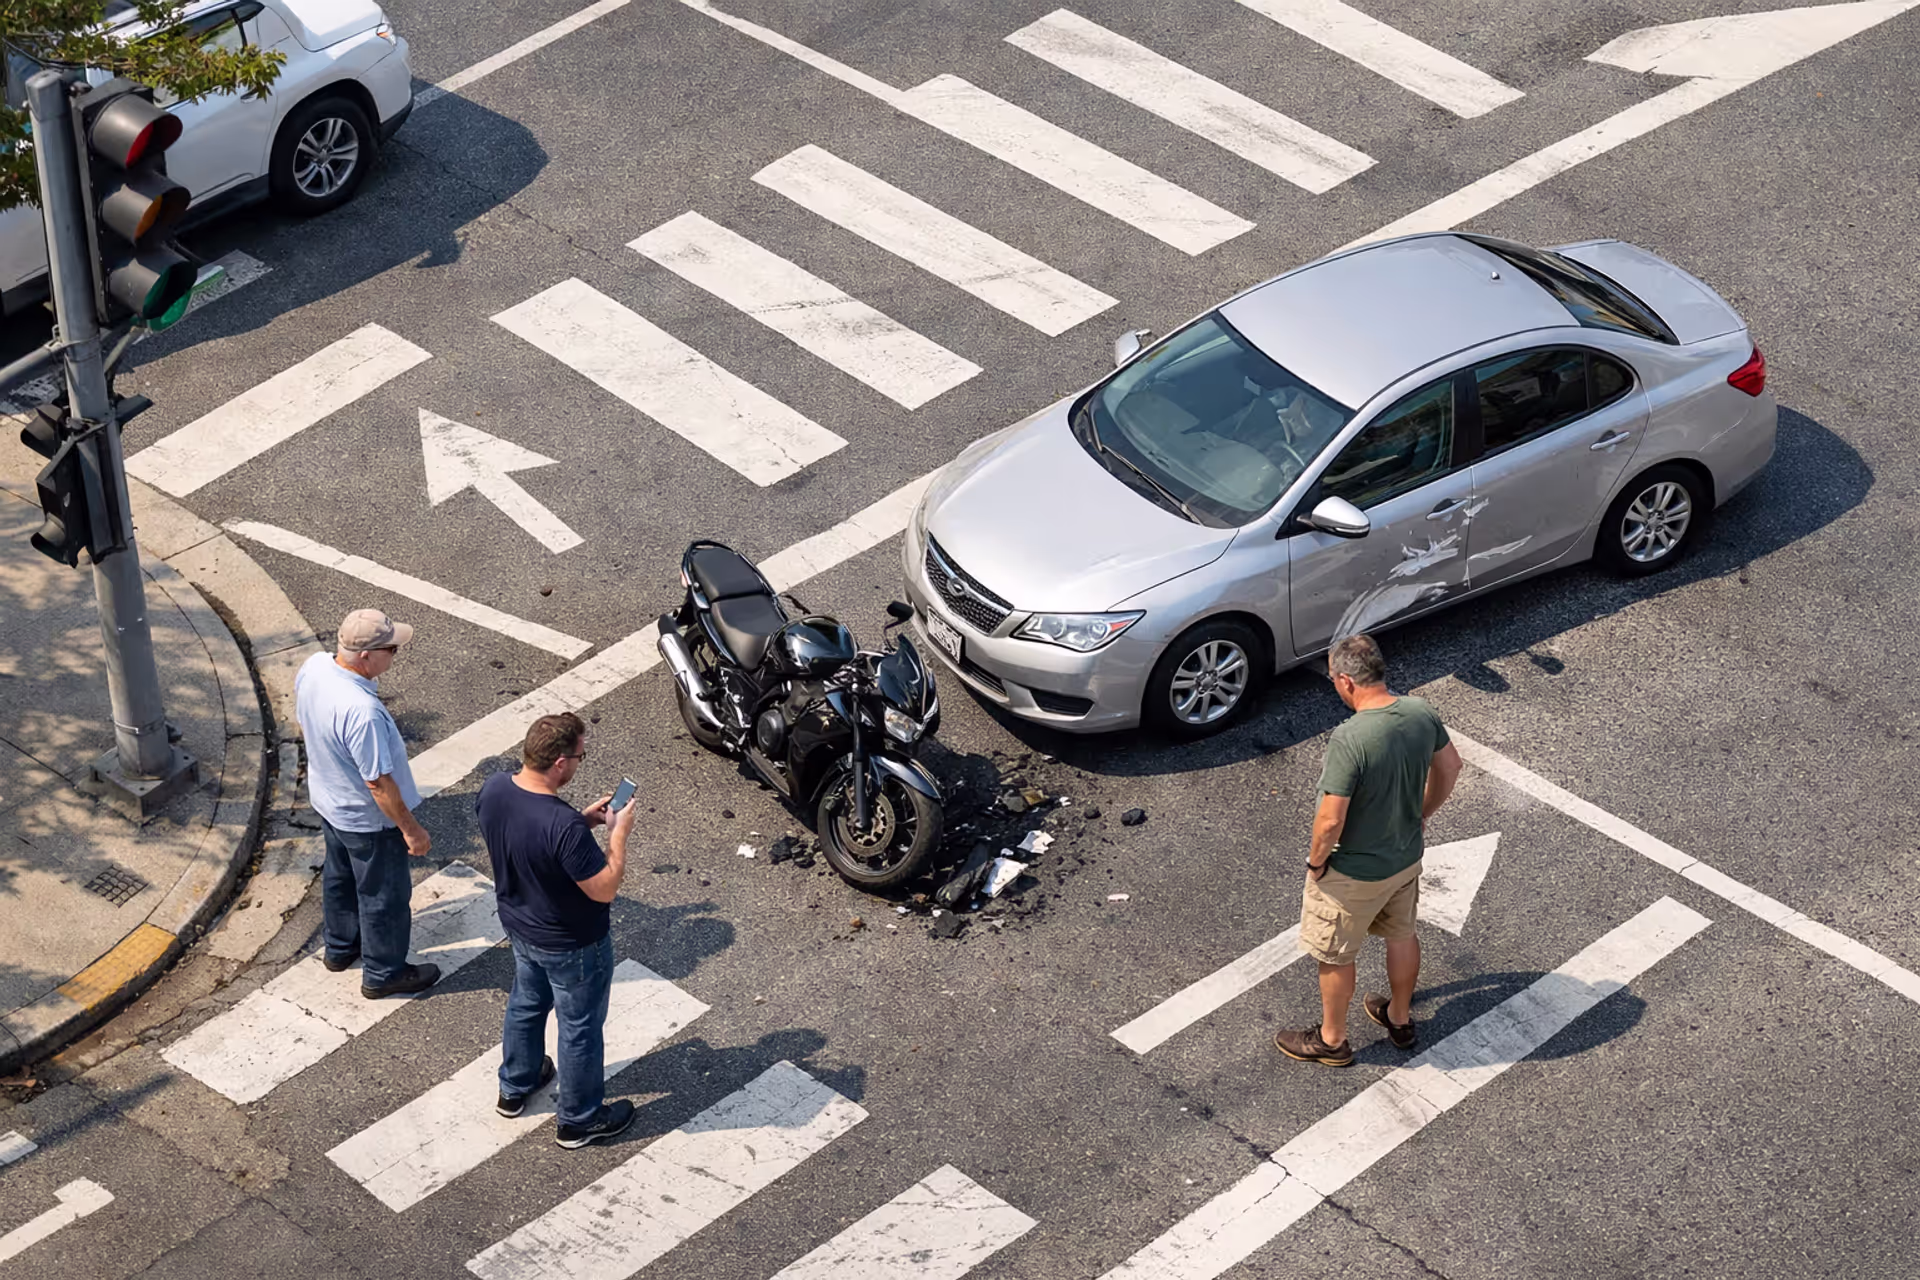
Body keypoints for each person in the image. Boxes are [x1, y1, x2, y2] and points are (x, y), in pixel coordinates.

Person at [1275, 634, 1462, 1067]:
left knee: (1335, 954)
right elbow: (1451, 766)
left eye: (1333, 681)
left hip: (1353, 872)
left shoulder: (1350, 737)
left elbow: (1330, 820)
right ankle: (1399, 1019)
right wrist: (1422, 812)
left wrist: (1316, 862)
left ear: (1346, 681)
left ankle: (1332, 1041)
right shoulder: (1420, 712)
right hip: (1405, 857)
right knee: (1402, 934)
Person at [477, 712, 640, 1148]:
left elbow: (527, 838)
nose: (579, 764)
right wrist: (618, 835)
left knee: (527, 1004)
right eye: (580, 757)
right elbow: (604, 888)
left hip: (520, 927)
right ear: (560, 763)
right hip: (572, 944)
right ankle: (579, 1120)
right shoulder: (561, 825)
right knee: (579, 1027)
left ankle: (516, 1086)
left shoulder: (494, 789)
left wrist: (583, 821)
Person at [295, 609, 441, 999]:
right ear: (366, 656)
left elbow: (304, 722)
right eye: (391, 649)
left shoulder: (314, 667)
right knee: (383, 897)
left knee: (339, 878)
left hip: (329, 803)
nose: (395, 655)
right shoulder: (362, 712)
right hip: (367, 820)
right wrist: (412, 830)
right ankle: (384, 972)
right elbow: (378, 783)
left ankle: (340, 948)